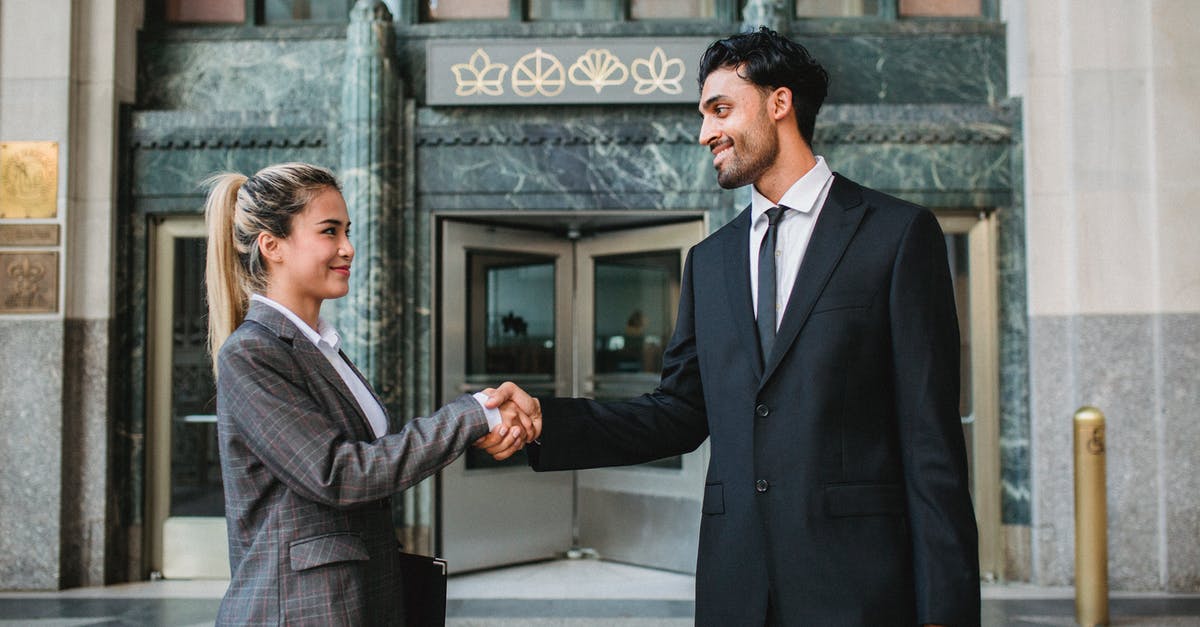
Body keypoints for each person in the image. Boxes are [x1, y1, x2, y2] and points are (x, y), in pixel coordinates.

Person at [486, 28, 980, 626]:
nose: (705, 133)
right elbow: (678, 412)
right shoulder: (710, 261)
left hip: (858, 588)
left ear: (779, 102)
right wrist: (546, 421)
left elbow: (930, 440)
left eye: (721, 109)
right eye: (703, 114)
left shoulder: (896, 236)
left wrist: (946, 609)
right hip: (737, 587)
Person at [204, 162, 535, 625]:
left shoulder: (322, 348)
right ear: (271, 245)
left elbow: (371, 463)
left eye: (348, 231)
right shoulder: (252, 353)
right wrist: (471, 416)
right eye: (329, 231)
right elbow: (339, 474)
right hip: (300, 609)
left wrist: (478, 423)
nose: (348, 248)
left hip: (356, 597)